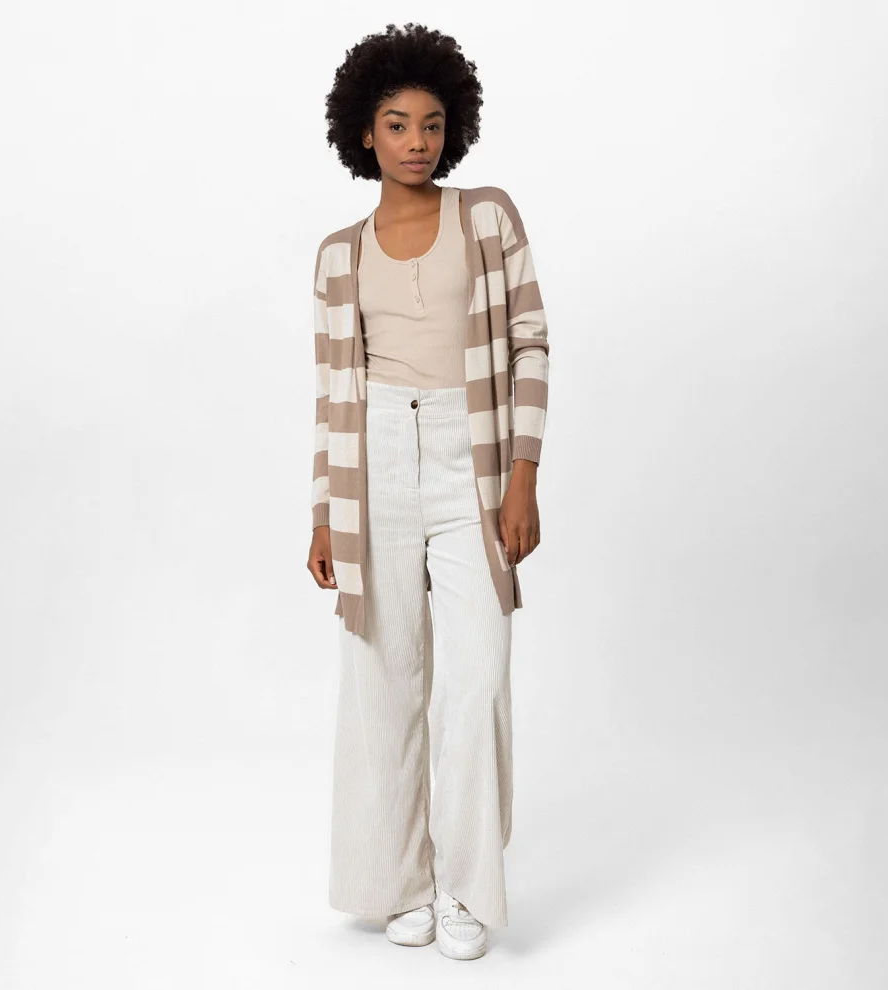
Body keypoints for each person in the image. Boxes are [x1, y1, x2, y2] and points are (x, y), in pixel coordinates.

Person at [306, 22, 550, 960]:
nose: (417, 141)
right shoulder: (338, 254)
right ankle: (399, 883)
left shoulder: (487, 218)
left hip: (470, 457)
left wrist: (522, 475)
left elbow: (530, 342)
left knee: (477, 680)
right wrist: (324, 511)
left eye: (433, 123)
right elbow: (332, 393)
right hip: (372, 464)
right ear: (364, 133)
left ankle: (466, 889)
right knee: (383, 680)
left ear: (455, 128)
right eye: (398, 124)